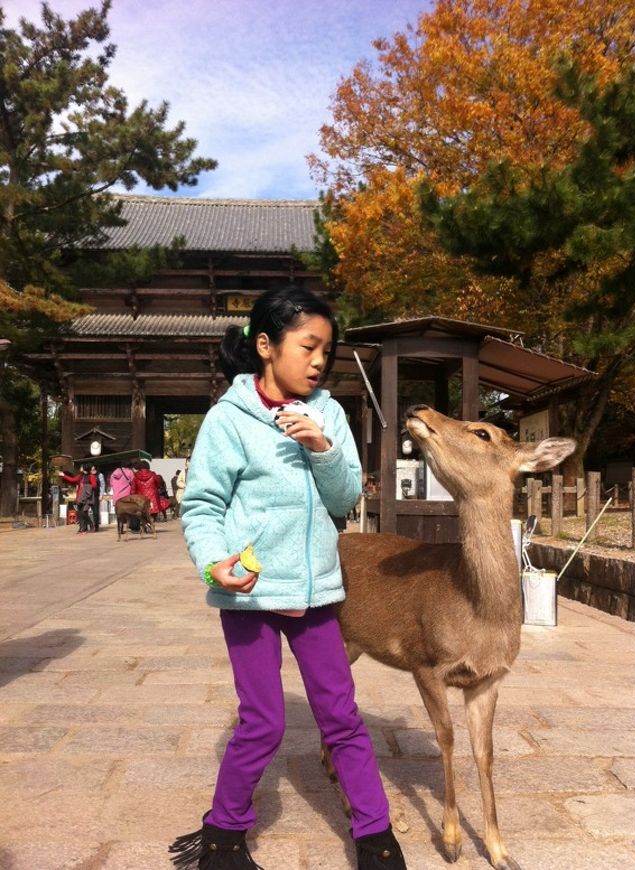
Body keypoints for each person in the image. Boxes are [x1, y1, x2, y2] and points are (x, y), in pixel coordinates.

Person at [172, 287, 406, 870]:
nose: (319, 361)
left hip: (317, 591)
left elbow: (345, 499)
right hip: (249, 594)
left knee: (341, 717)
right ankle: (223, 837)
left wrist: (322, 446)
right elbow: (202, 505)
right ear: (266, 346)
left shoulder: (328, 414)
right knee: (263, 722)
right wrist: (213, 562)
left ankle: (376, 838)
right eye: (308, 346)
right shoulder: (228, 419)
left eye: (327, 350)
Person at [59, 464, 96, 534]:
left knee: (84, 512)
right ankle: (82, 528)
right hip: (80, 496)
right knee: (79, 513)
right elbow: (72, 480)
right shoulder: (80, 476)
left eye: (81, 467)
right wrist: (64, 475)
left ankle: (91, 525)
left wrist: (85, 486)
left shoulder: (91, 476)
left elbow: (94, 485)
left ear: (85, 468)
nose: (80, 468)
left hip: (87, 497)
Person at [90, 464, 105, 530]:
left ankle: (96, 525)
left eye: (94, 469)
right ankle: (89, 524)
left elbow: (102, 485)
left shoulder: (100, 475)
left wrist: (101, 495)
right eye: (91, 470)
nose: (92, 471)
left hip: (96, 495)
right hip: (89, 495)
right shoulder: (89, 475)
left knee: (95, 511)